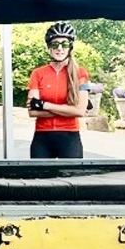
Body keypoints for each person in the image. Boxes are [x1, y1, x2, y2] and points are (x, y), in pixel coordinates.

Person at [27, 21, 91, 159]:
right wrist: (69, 110)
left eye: (65, 44)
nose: (60, 48)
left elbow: (80, 111)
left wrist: (44, 105)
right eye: (55, 44)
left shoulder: (80, 73)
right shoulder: (38, 73)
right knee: (39, 180)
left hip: (70, 138)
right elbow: (32, 111)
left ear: (70, 47)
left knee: (72, 180)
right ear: (49, 47)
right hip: (42, 137)